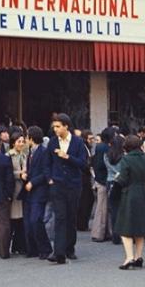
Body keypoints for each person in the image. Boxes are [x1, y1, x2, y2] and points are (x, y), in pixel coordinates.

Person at [46, 113, 88, 264]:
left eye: (58, 126)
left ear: (66, 126)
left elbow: (83, 164)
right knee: (60, 217)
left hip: (73, 185)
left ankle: (70, 247)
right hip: (57, 184)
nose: (55, 129)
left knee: (71, 217)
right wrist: (49, 178)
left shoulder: (77, 142)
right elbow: (47, 162)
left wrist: (67, 157)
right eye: (54, 127)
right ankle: (59, 252)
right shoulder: (52, 142)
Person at [114, 134, 145, 270]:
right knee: (140, 228)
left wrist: (117, 182)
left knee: (125, 228)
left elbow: (122, 179)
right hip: (143, 193)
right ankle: (139, 257)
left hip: (129, 193)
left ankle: (129, 258)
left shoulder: (126, 159)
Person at [24, 125, 51, 259]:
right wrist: (25, 174)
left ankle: (45, 248)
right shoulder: (30, 151)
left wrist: (32, 182)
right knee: (29, 221)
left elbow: (46, 172)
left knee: (36, 219)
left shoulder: (44, 152)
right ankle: (33, 249)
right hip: (30, 191)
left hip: (39, 190)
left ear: (31, 138)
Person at [90, 127, 114, 242]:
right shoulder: (106, 148)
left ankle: (103, 232)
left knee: (102, 207)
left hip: (100, 179)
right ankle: (99, 233)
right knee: (102, 207)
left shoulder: (99, 147)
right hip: (103, 180)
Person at [8, 131, 29, 254]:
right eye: (18, 141)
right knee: (13, 218)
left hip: (23, 188)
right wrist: (20, 174)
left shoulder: (25, 155)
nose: (21, 144)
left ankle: (19, 245)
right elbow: (8, 172)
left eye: (22, 141)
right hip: (14, 188)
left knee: (22, 218)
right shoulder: (9, 155)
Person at [105, 131, 125, 245]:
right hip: (121, 182)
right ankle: (124, 235)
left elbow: (110, 169)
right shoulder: (124, 156)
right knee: (123, 209)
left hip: (110, 181)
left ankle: (115, 236)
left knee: (113, 210)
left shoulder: (106, 155)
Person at [76, 130, 95, 232]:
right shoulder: (84, 148)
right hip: (83, 177)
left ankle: (83, 223)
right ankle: (82, 223)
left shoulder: (87, 148)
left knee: (87, 199)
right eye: (90, 138)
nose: (92, 141)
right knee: (85, 200)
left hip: (85, 176)